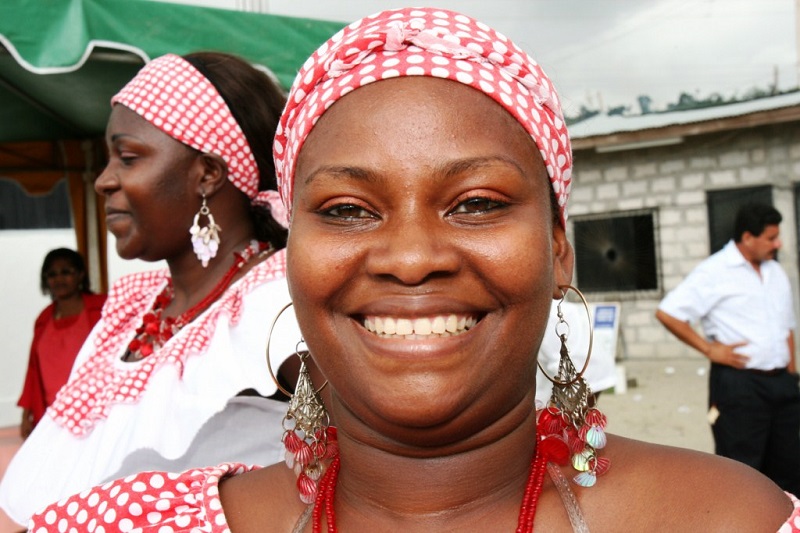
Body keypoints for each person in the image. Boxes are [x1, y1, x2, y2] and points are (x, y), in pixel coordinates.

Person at [30, 9, 800, 532]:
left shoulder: (729, 517)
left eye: (474, 202)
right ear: (289, 258)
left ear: (558, 246)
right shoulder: (139, 518)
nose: (409, 257)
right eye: (346, 209)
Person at [0, 51, 302, 527]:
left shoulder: (279, 304)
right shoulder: (133, 306)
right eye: (107, 160)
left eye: (129, 157)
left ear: (207, 173)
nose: (103, 181)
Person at [656, 202, 800, 495]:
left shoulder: (775, 272)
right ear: (748, 237)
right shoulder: (715, 271)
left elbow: (787, 327)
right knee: (742, 474)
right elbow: (668, 312)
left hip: (782, 385)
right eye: (771, 238)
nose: (778, 243)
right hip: (740, 387)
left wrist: (791, 374)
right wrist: (710, 350)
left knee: (789, 468)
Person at [17, 248, 106, 439]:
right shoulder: (43, 318)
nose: (59, 279)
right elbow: (33, 370)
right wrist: (26, 415)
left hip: (97, 413)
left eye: (66, 272)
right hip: (52, 417)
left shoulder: (102, 309)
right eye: (52, 274)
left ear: (81, 274)